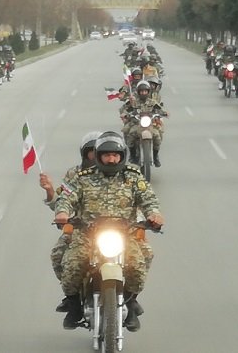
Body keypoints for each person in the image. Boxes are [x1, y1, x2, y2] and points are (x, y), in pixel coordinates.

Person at [54, 131, 164, 331]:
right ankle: (73, 306)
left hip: (125, 234)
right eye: (106, 155)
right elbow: (66, 197)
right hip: (88, 234)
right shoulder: (83, 178)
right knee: (71, 265)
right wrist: (63, 211)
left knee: (138, 266)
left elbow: (148, 198)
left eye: (115, 155)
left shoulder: (132, 176)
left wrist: (154, 215)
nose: (111, 159)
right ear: (98, 156)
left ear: (122, 156)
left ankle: (130, 303)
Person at [39, 131, 101, 312]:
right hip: (82, 229)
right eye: (93, 152)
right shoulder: (75, 174)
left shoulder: (123, 174)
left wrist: (147, 218)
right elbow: (61, 201)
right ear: (85, 153)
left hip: (117, 230)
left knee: (142, 254)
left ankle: (131, 299)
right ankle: (72, 299)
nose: (97, 156)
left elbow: (140, 200)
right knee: (59, 256)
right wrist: (50, 191)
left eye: (102, 152)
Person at [121, 81, 168, 167]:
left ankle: (155, 156)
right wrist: (125, 114)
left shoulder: (152, 102)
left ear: (148, 92)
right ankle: (132, 155)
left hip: (150, 125)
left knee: (157, 136)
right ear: (138, 92)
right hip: (137, 124)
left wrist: (164, 113)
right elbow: (126, 110)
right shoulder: (134, 102)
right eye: (141, 91)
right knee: (130, 135)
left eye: (145, 91)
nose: (143, 93)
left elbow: (160, 109)